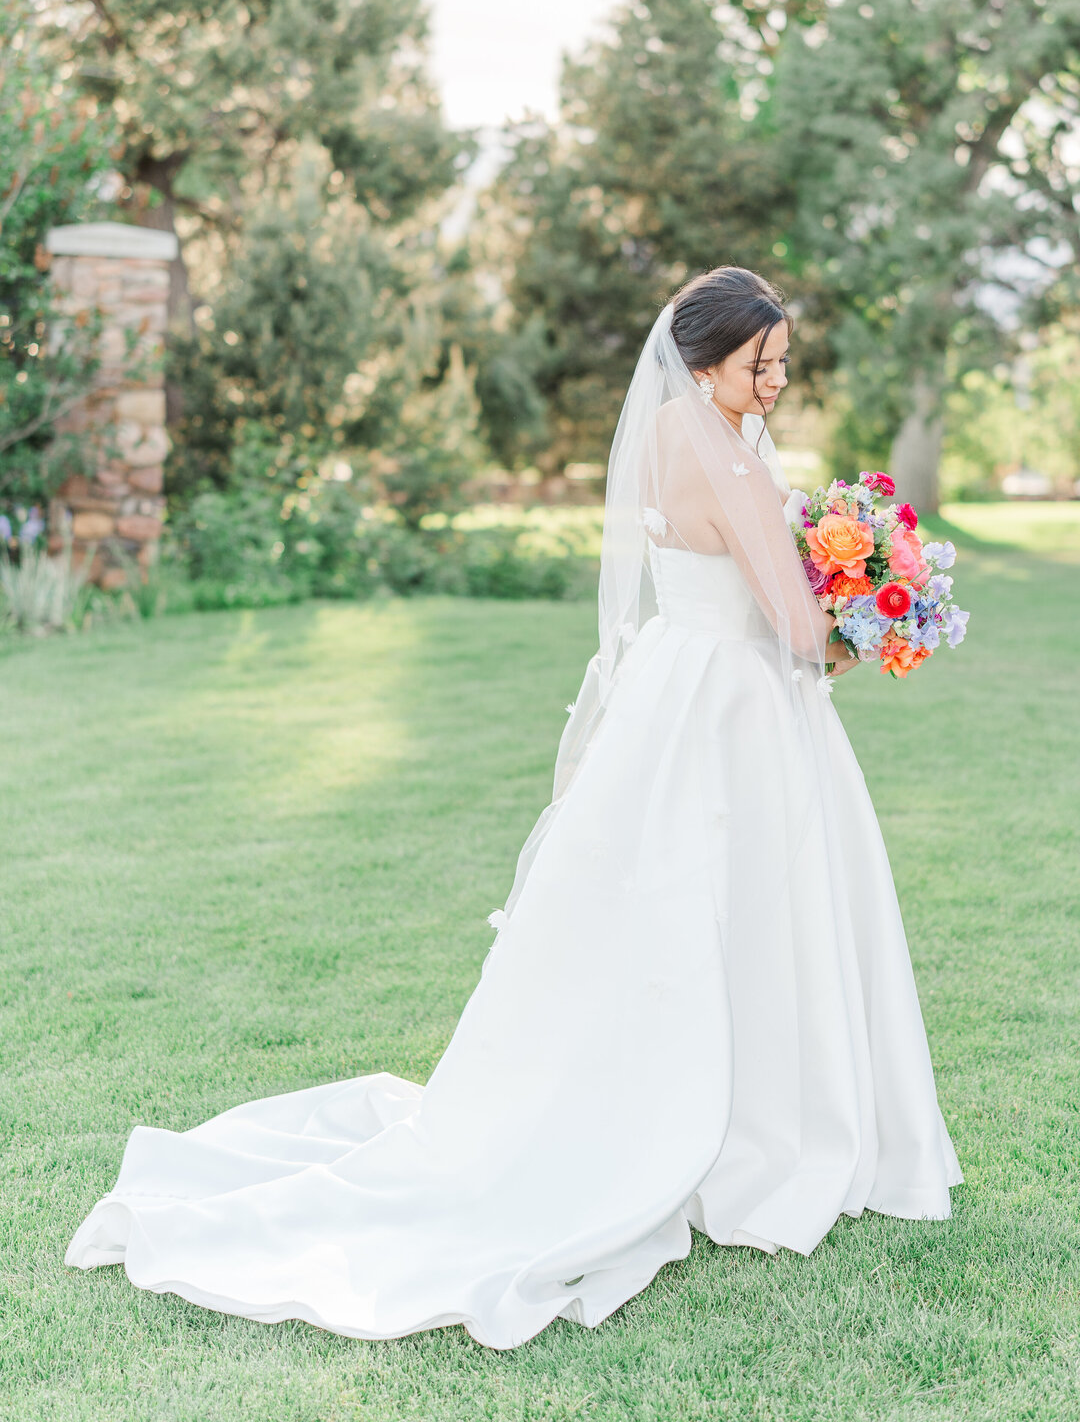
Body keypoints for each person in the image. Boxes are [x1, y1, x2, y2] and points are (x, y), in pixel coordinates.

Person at [66, 266, 961, 1349]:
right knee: (745, 909)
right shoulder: (719, 450)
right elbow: (792, 623)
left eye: (780, 361)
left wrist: (844, 580)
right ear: (707, 361)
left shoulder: (691, 436)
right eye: (760, 361)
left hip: (682, 694)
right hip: (734, 704)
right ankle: (750, 1134)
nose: (777, 379)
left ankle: (722, 1117)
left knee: (681, 912)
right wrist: (870, 619)